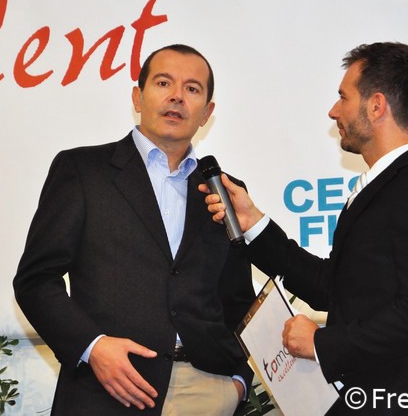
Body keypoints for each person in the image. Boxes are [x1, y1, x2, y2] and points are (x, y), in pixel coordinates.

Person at [202, 42, 408, 415]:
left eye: (343, 97)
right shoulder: (382, 187)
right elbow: (334, 288)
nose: (333, 110)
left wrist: (321, 344)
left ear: (376, 106)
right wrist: (253, 223)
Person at [13, 44, 255, 416]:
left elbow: (238, 301)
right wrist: (93, 347)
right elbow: (35, 280)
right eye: (163, 83)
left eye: (192, 89)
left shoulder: (224, 190)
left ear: (207, 113)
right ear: (137, 97)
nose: (177, 96)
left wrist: (237, 382)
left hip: (207, 390)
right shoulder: (83, 170)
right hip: (108, 389)